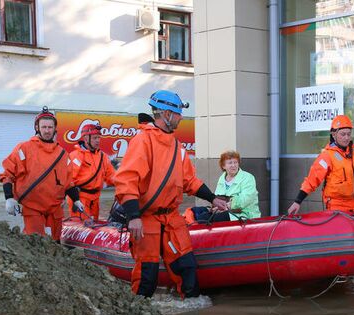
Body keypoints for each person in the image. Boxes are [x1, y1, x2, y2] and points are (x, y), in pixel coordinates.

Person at [114, 90, 229, 299]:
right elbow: (127, 179)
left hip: (171, 218)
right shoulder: (143, 141)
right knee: (147, 277)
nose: (181, 118)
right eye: (177, 114)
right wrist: (134, 217)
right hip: (146, 218)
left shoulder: (177, 146)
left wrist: (213, 198)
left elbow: (189, 181)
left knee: (187, 268)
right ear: (166, 114)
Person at [0, 107, 84, 241]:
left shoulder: (62, 154)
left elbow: (68, 182)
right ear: (37, 128)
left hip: (55, 209)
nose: (47, 130)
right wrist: (9, 198)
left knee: (55, 245)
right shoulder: (24, 148)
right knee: (36, 244)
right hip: (33, 208)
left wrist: (76, 200)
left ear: (55, 129)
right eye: (43, 127)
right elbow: (8, 173)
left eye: (50, 127)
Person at [288, 115, 354, 216]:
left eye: (349, 134)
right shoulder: (327, 156)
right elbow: (312, 180)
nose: (346, 138)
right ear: (334, 134)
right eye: (343, 134)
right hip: (335, 208)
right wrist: (298, 201)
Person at [67, 121, 116, 219]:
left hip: (95, 200)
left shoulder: (103, 157)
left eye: (99, 138)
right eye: (95, 138)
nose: (98, 140)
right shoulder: (76, 156)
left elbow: (112, 177)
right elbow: (69, 180)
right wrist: (76, 200)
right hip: (80, 199)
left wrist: (125, 181)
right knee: (81, 229)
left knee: (93, 229)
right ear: (85, 138)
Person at [214, 150, 261, 220]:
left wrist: (228, 206)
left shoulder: (247, 177)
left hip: (244, 215)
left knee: (215, 219)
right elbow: (217, 197)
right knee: (200, 214)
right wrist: (216, 207)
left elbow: (246, 199)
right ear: (223, 166)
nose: (233, 165)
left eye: (235, 162)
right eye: (230, 163)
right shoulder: (222, 178)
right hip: (225, 212)